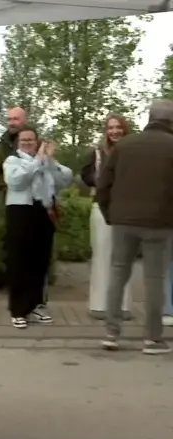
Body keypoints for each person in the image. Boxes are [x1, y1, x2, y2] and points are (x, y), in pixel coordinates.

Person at [96, 99, 173, 355]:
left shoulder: (125, 146)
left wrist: (110, 215)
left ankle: (111, 333)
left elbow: (103, 184)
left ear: (150, 118)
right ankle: (152, 339)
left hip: (123, 221)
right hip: (160, 223)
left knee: (118, 274)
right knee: (154, 279)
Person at [2, 127, 72, 329]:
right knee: (19, 260)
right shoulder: (12, 161)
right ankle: (18, 309)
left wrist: (49, 162)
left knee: (40, 261)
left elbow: (64, 180)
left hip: (43, 211)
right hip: (20, 211)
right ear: (18, 143)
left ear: (37, 141)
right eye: (23, 140)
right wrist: (37, 162)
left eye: (31, 140)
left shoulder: (45, 161)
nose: (27, 143)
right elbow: (16, 181)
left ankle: (36, 304)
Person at [80, 114, 134, 320]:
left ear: (125, 129)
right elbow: (86, 176)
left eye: (118, 127)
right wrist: (100, 180)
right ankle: (99, 304)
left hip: (127, 209)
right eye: (110, 128)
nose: (114, 132)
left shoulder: (132, 151)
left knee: (123, 257)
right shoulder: (97, 153)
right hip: (101, 208)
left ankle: (123, 306)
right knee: (102, 255)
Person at [0, 107, 28, 291]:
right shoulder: (2, 144)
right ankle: (2, 277)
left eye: (16, 119)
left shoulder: (34, 141)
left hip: (32, 201)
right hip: (8, 201)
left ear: (24, 120)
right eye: (9, 119)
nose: (12, 122)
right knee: (4, 239)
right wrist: (8, 187)